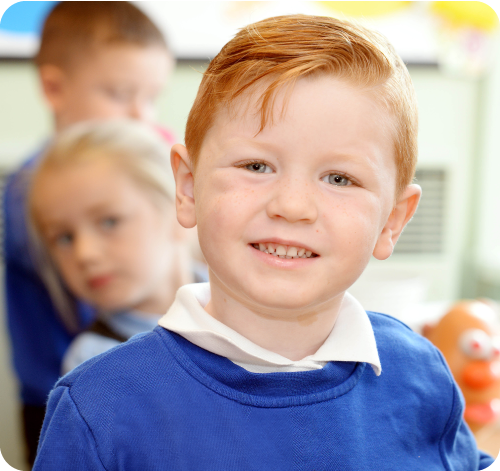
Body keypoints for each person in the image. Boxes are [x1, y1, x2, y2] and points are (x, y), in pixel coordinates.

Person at [33, 14, 495, 470]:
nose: (292, 206)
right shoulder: (99, 409)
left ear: (392, 220)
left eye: (339, 177)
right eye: (256, 166)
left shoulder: (422, 374)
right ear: (189, 188)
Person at [1, 1, 174, 465]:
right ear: (54, 88)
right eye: (120, 94)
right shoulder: (32, 191)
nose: (141, 116)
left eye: (151, 97)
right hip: (59, 399)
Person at [27, 120, 204, 376]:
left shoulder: (250, 305)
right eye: (64, 238)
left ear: (179, 208)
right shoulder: (93, 363)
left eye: (109, 221)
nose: (85, 253)